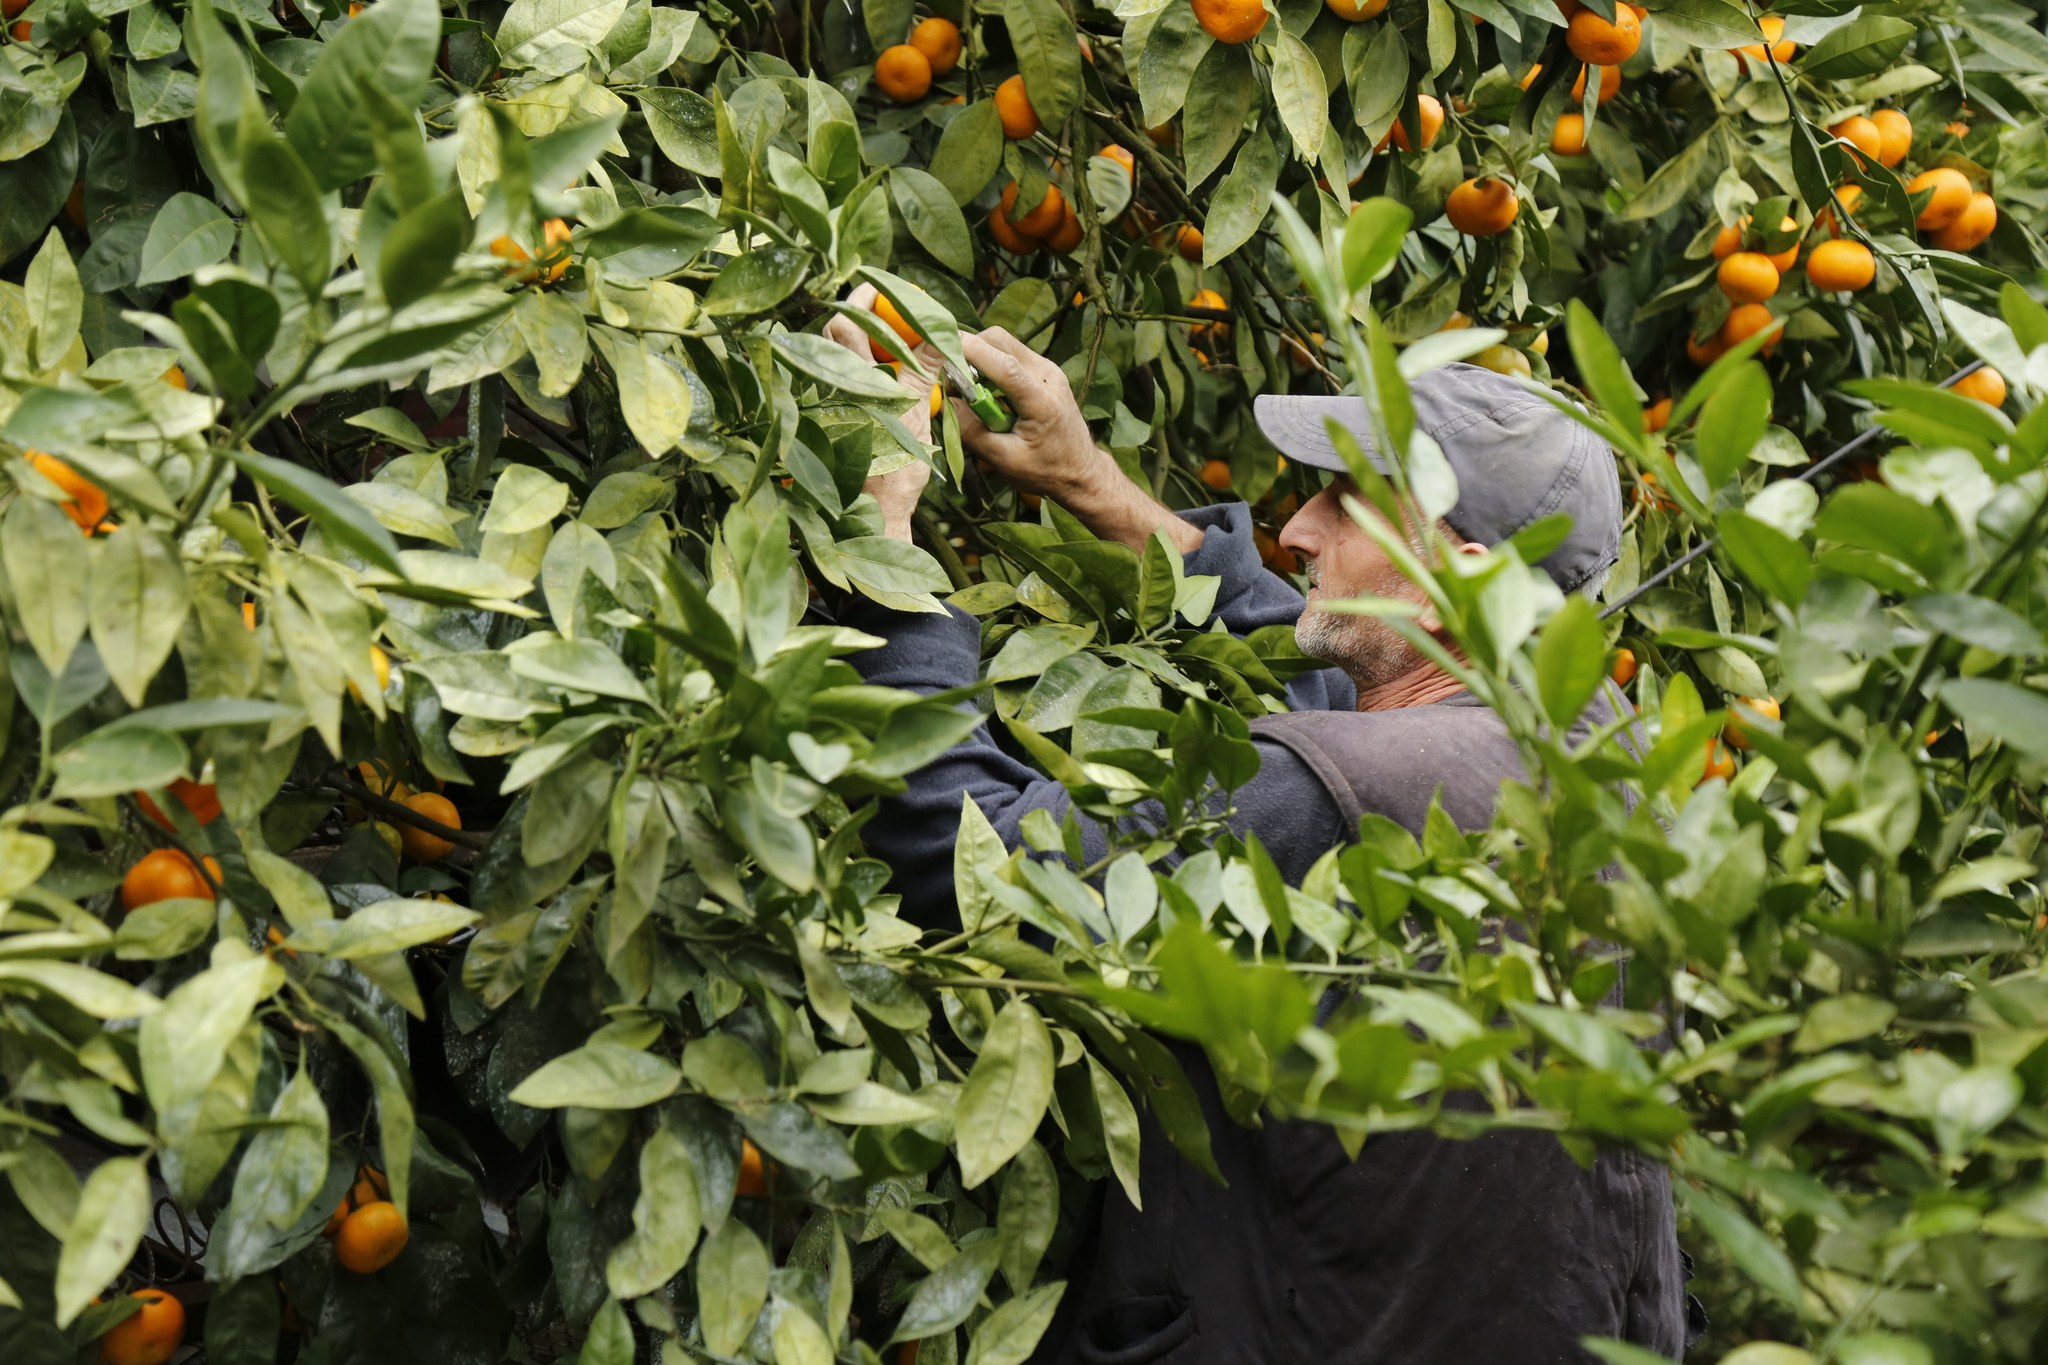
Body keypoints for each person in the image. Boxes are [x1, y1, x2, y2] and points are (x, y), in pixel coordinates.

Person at [819, 291, 1697, 1363]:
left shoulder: (1340, 794)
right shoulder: (1602, 753)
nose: (1297, 530)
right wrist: (1090, 484)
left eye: (1346, 502)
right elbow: (1336, 672)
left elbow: (976, 865)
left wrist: (885, 551)